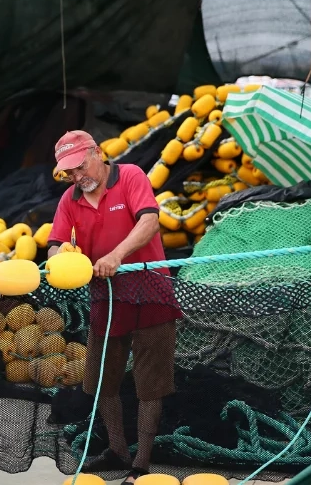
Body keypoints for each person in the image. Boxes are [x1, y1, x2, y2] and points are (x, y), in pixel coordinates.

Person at [47, 130, 181, 484]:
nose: (77, 177)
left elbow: (150, 222)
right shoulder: (69, 200)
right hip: (104, 295)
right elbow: (54, 243)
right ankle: (118, 450)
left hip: (150, 290)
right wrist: (61, 256)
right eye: (69, 173)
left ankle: (141, 464)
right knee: (102, 378)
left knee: (151, 382)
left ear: (98, 153)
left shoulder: (131, 176)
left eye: (80, 167)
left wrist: (116, 256)